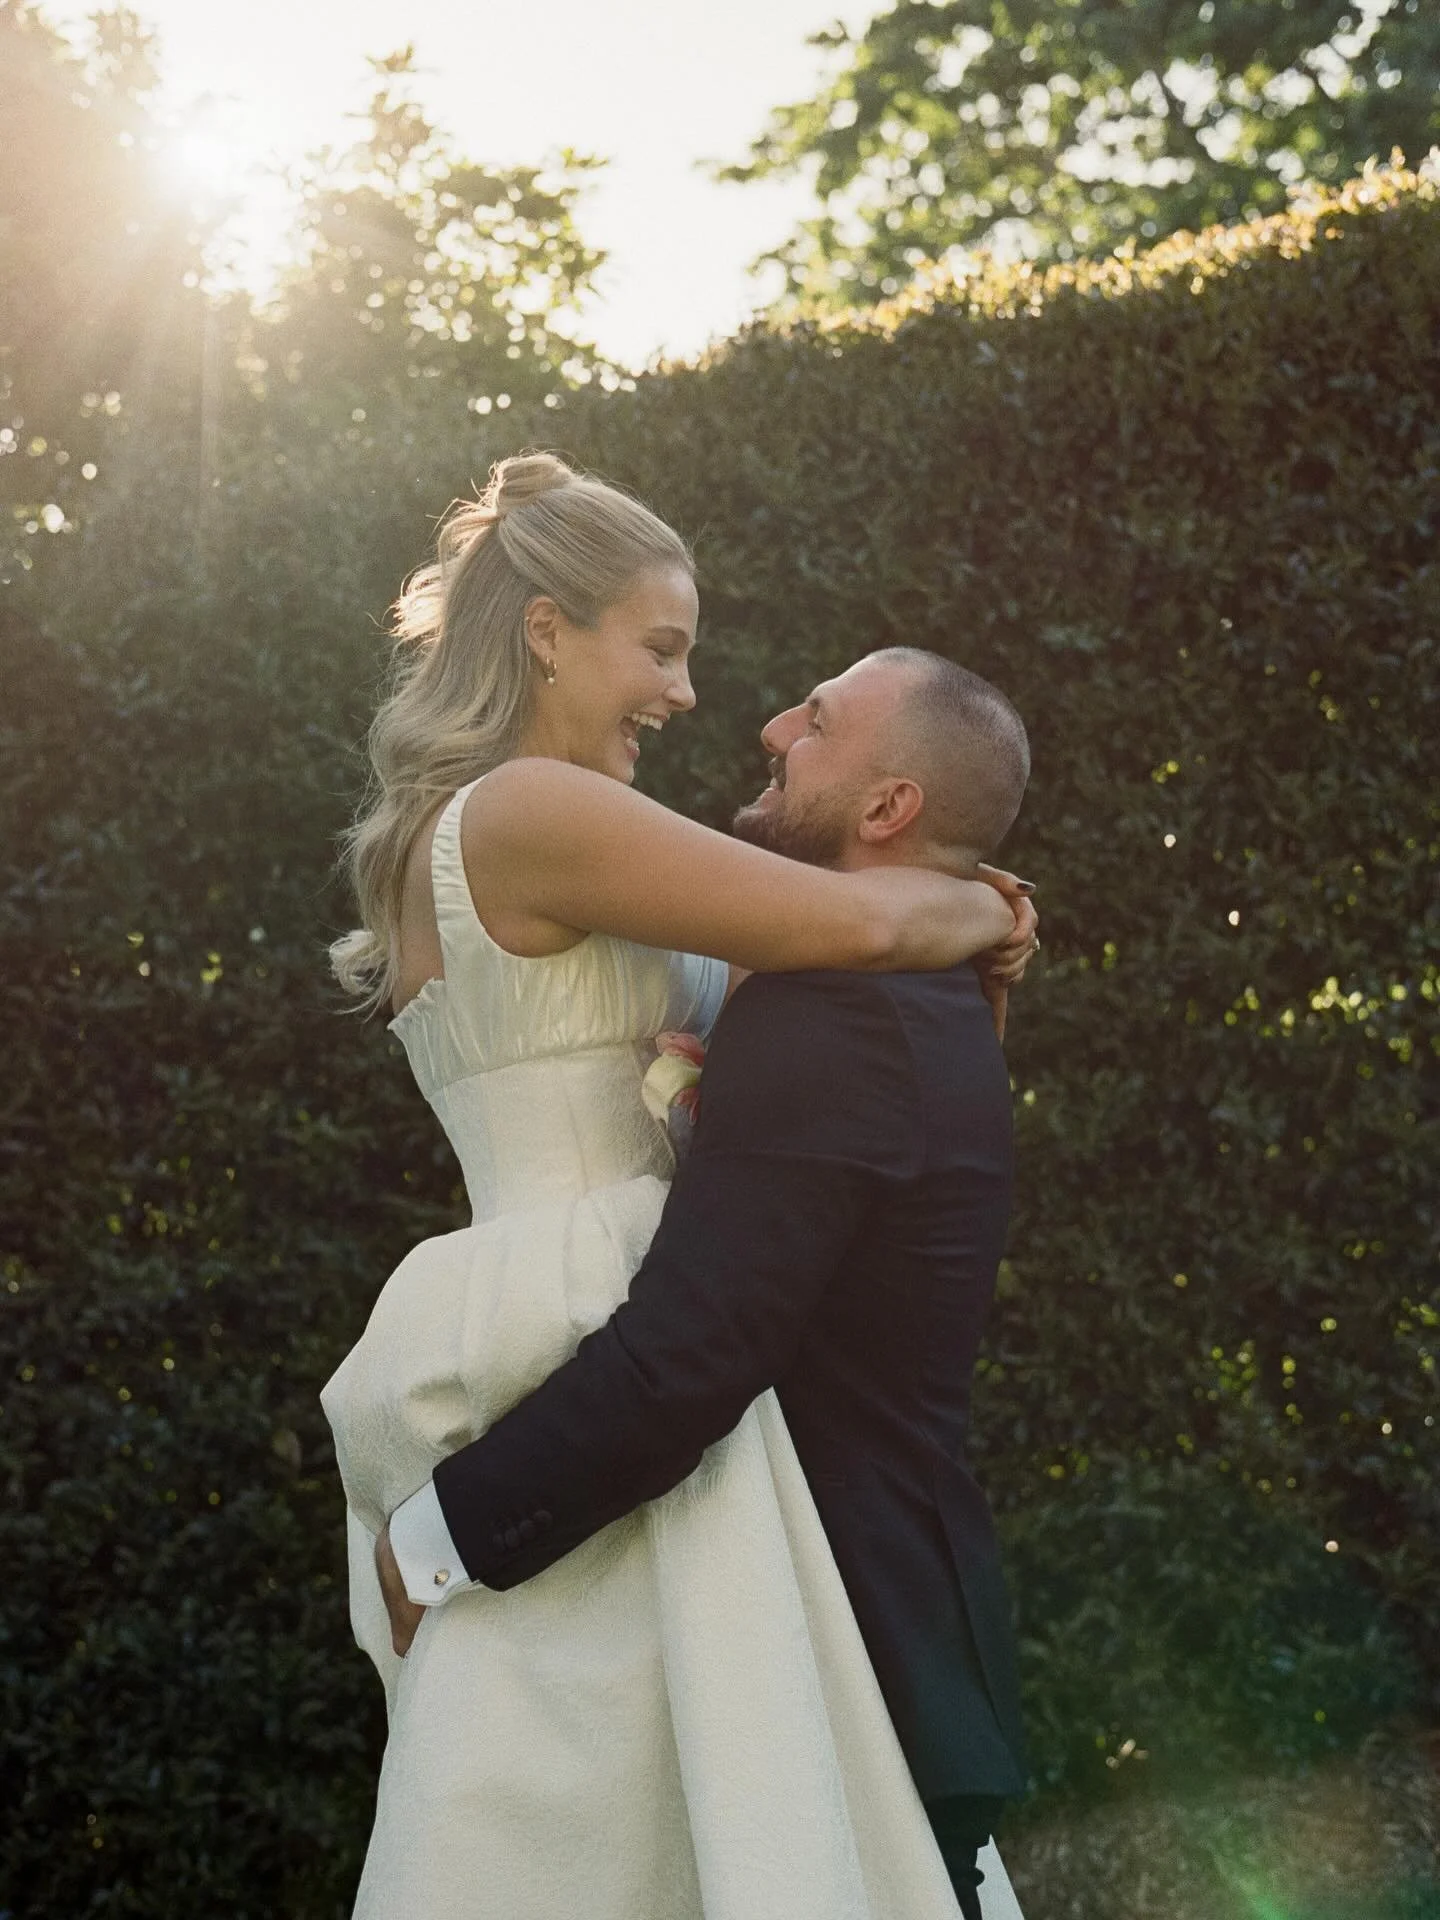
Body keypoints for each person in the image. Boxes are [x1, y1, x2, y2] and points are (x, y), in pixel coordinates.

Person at [322, 451, 1035, 1920]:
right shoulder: (530, 810)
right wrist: (981, 899)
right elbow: (843, 923)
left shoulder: (534, 830)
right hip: (599, 1333)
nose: (696, 695)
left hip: (573, 1333)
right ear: (544, 633)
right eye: (660, 646)